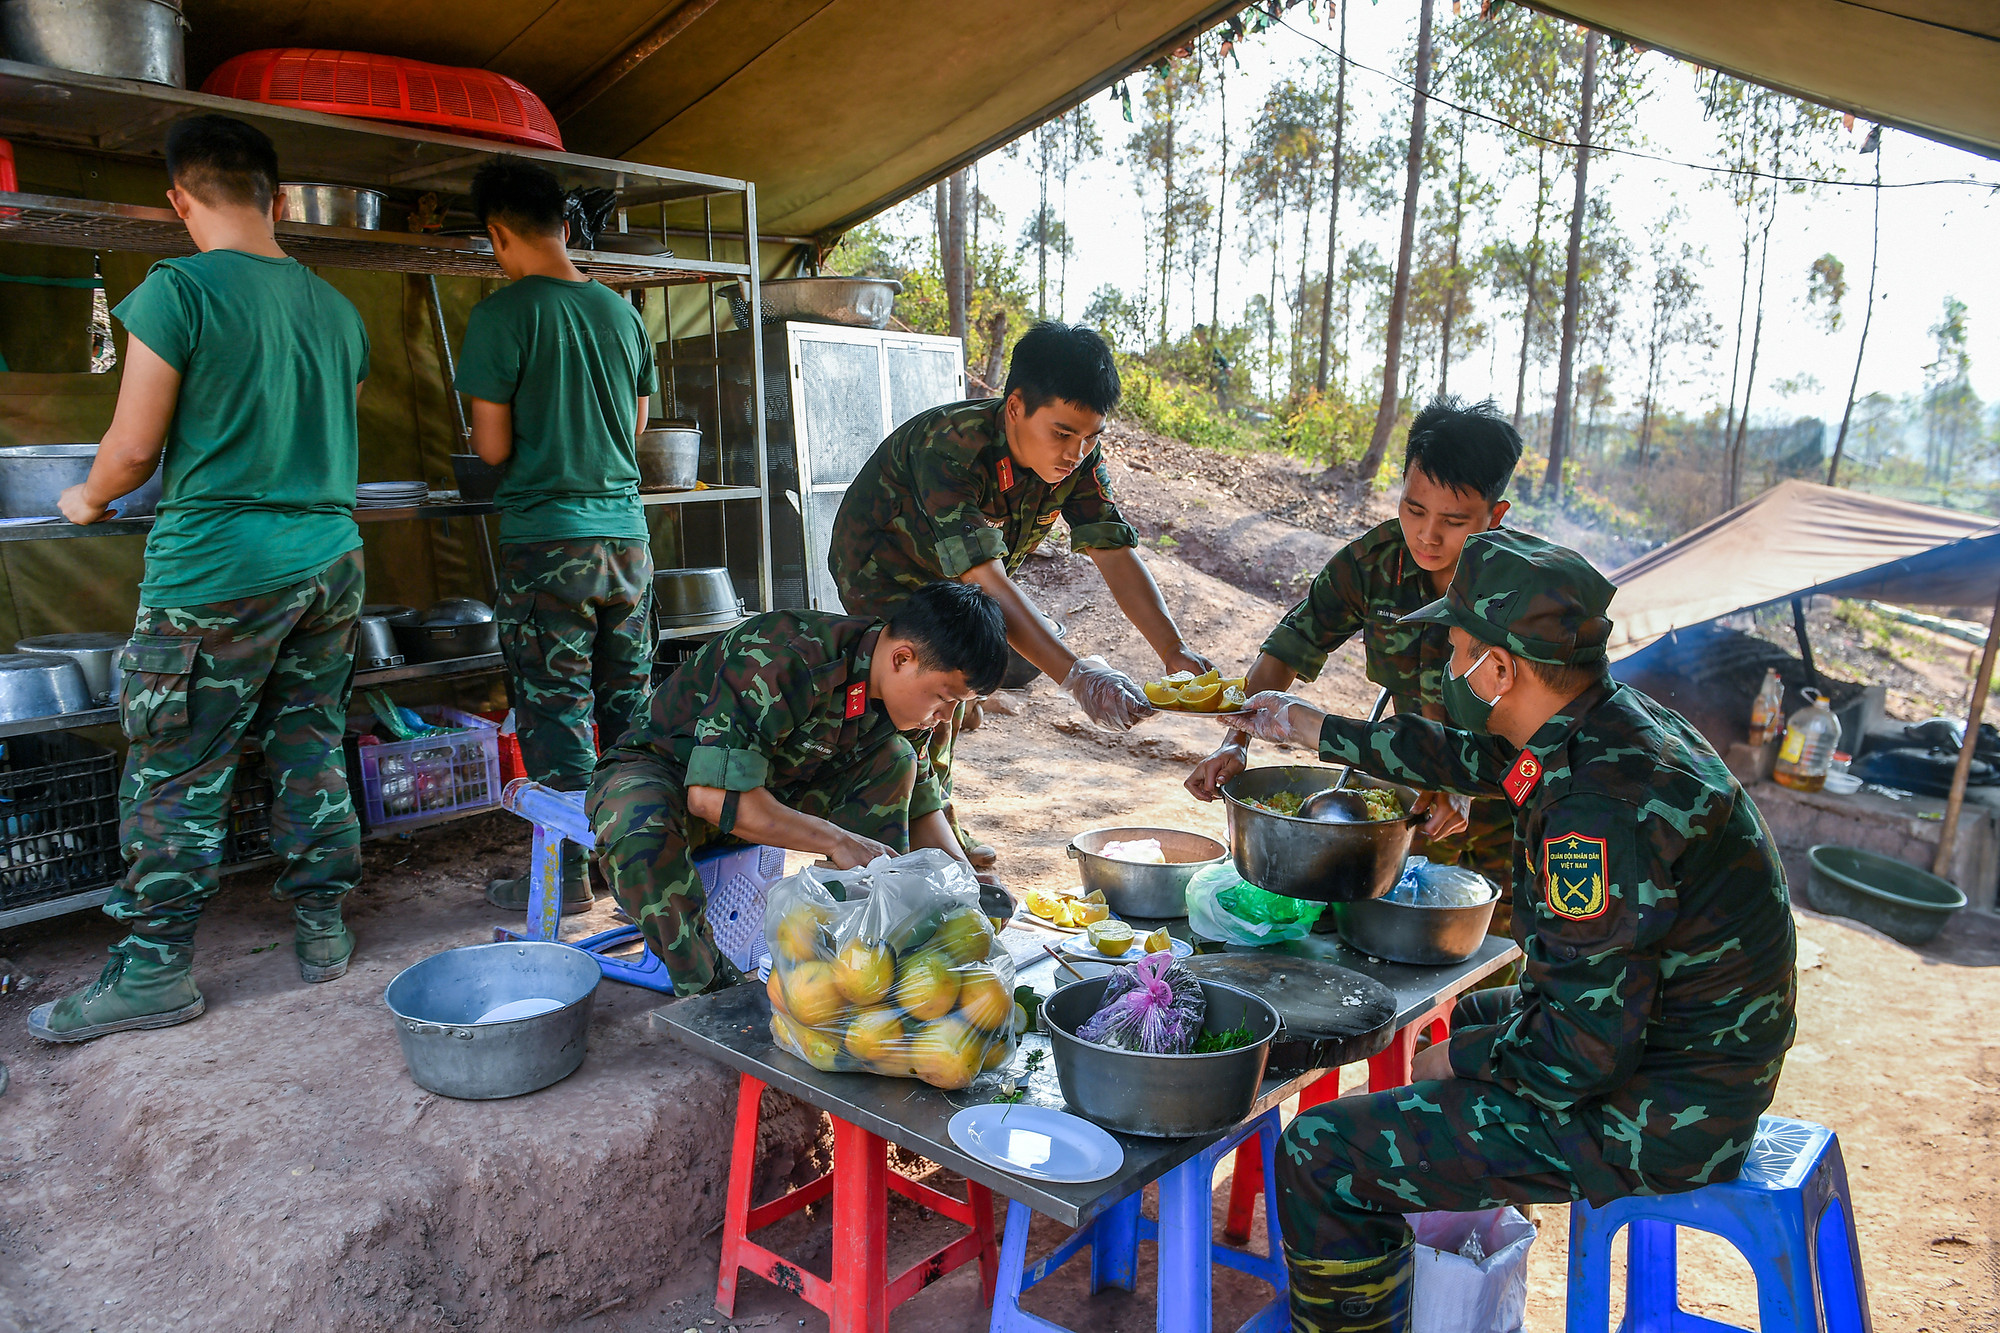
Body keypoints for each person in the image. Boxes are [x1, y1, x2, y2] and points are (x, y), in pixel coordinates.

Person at [1218, 530, 1796, 1331]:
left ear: (1500, 669)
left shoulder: (1592, 817)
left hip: (1663, 1115)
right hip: (1689, 1053)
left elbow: (1581, 1053)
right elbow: (1469, 757)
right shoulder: (1608, 724)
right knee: (1478, 1013)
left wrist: (1457, 1060)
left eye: (1457, 650)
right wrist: (1313, 726)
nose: (1447, 667)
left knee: (1321, 1150)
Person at [31, 115, 372, 1041]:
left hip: (217, 568)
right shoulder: (337, 310)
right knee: (309, 740)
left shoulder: (177, 289)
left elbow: (133, 447)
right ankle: (323, 925)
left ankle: (155, 970)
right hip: (330, 562)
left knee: (177, 765)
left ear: (179, 200)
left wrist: (85, 498)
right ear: (279, 198)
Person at [829, 320, 1210, 866]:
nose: (1076, 452)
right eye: (1062, 433)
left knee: (950, 699)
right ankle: (891, 842)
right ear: (1015, 408)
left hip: (955, 577)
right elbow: (985, 579)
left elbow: (1113, 552)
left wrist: (1173, 650)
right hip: (882, 568)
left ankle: (937, 828)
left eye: (1091, 436)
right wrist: (1076, 677)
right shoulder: (952, 447)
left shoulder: (1077, 457)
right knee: (915, 697)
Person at [1187, 394, 1522, 931]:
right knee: (1388, 930)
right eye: (1414, 509)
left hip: (1511, 797)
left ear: (1495, 515)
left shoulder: (1526, 588)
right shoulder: (1375, 563)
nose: (1427, 535)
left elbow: (1547, 721)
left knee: (1500, 938)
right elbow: (1289, 645)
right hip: (1411, 786)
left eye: (1454, 521)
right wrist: (1236, 742)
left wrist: (1463, 782)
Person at [587, 580, 1009, 996]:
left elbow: (921, 804)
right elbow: (711, 798)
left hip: (768, 791)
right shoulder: (787, 657)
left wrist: (965, 882)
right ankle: (714, 993)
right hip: (669, 776)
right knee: (637, 830)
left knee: (896, 758)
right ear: (902, 658)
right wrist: (837, 840)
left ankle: (869, 958)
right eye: (944, 698)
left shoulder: (899, 696)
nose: (945, 716)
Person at [454, 157, 658, 915]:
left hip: (549, 547)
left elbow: (492, 449)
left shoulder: (501, 317)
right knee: (629, 711)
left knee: (557, 715)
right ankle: (638, 869)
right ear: (567, 226)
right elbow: (636, 427)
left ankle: (566, 878)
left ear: (497, 234)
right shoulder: (623, 315)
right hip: (626, 543)